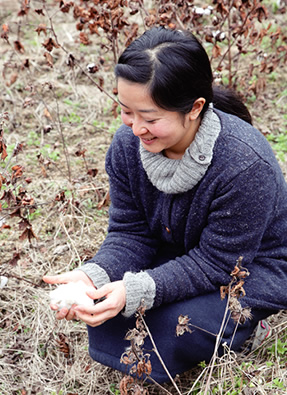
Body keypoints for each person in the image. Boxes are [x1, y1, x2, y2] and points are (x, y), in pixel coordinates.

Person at [43, 27, 287, 383]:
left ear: (195, 109)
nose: (135, 128)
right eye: (126, 111)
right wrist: (91, 276)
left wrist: (138, 290)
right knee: (111, 310)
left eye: (151, 118)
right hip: (182, 249)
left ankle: (251, 328)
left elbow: (219, 263)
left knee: (178, 327)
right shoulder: (127, 147)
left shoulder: (244, 164)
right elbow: (130, 234)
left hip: (248, 268)